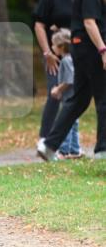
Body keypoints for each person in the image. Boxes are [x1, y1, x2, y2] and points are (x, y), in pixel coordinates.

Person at [37, 0, 106, 162]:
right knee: (104, 98)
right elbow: (89, 22)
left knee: (79, 100)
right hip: (91, 49)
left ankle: (49, 145)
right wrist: (103, 49)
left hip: (80, 49)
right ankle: (103, 150)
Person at [33, 0, 81, 146]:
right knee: (55, 94)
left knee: (74, 98)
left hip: (79, 55)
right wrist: (47, 53)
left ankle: (69, 143)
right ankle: (45, 138)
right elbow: (39, 25)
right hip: (56, 54)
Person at [49, 30, 81, 158]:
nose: (52, 47)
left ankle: (63, 151)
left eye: (54, 45)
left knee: (65, 122)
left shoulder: (66, 61)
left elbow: (69, 79)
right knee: (73, 123)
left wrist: (58, 89)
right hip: (75, 97)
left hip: (69, 99)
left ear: (61, 46)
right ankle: (74, 150)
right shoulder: (72, 58)